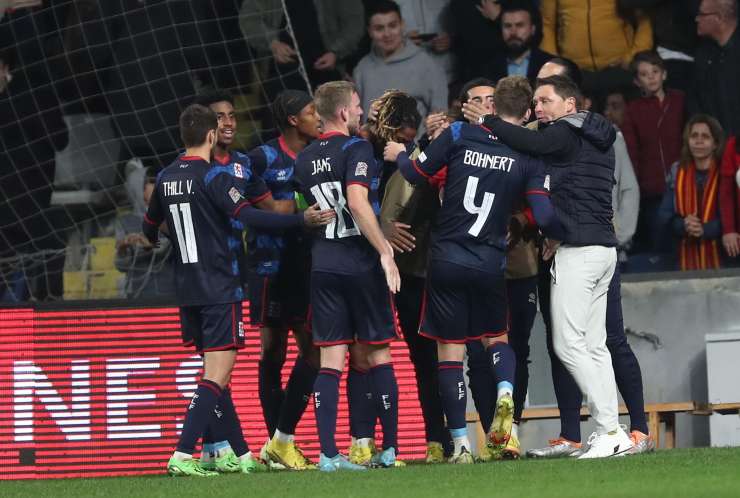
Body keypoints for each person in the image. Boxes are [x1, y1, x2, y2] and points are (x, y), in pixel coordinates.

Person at [143, 104, 333, 477]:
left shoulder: (165, 177)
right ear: (212, 135)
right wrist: (301, 219)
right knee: (216, 376)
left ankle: (241, 454)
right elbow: (248, 216)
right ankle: (183, 454)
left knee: (218, 376)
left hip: (188, 288)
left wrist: (186, 235)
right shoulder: (214, 176)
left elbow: (151, 229)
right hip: (220, 285)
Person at [384, 75, 564, 464]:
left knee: (448, 354)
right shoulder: (529, 157)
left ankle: (461, 446)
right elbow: (541, 211)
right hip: (490, 262)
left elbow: (415, 176)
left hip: (447, 258)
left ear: (494, 106)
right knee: (497, 340)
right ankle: (504, 395)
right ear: (528, 111)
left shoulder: (459, 135)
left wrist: (400, 153)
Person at [475, 75, 635, 458]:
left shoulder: (564, 132)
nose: (539, 108)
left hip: (579, 252)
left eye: (545, 101)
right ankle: (613, 434)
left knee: (568, 344)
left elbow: (532, 142)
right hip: (603, 249)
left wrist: (489, 120)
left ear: (570, 104)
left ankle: (611, 428)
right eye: (536, 101)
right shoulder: (597, 134)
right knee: (595, 346)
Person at [295, 81, 402, 472]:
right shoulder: (356, 148)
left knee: (331, 361)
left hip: (323, 265)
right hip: (359, 264)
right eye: (356, 106)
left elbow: (310, 210)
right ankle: (389, 450)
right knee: (378, 354)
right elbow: (356, 202)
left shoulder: (304, 158)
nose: (361, 112)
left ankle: (328, 456)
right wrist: (385, 251)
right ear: (342, 112)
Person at [245, 90, 321, 470]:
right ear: (293, 119)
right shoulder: (262, 158)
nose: (318, 117)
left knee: (314, 350)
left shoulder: (319, 151)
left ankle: (280, 440)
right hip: (268, 268)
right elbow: (254, 208)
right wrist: (302, 204)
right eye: (311, 112)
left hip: (306, 266)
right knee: (272, 352)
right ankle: (276, 443)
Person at [374, 89, 449, 464]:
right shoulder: (381, 158)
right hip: (414, 271)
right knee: (432, 359)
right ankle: (445, 439)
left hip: (413, 271)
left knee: (427, 360)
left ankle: (441, 439)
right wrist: (381, 226)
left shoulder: (413, 158)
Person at [621, 51, 685, 255]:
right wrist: (636, 189)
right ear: (636, 81)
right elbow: (632, 153)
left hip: (684, 183)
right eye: (644, 74)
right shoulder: (633, 110)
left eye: (655, 71)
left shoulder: (680, 100)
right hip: (652, 189)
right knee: (660, 243)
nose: (651, 77)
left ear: (664, 74)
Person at [353, 0, 448, 123]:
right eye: (379, 28)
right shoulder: (361, 69)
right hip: (371, 141)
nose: (387, 34)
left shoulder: (427, 65)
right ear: (370, 31)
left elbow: (441, 119)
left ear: (402, 25)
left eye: (392, 26)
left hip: (417, 141)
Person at [239, 0, 365, 91]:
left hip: (328, 70)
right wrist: (272, 43)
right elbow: (249, 19)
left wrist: (336, 52)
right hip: (282, 72)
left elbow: (354, 23)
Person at [540, 0, 653, 101]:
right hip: (575, 73)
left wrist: (632, 58)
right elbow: (547, 24)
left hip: (619, 70)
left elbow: (644, 20)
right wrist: (554, 65)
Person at [659, 114, 725, 270]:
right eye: (694, 136)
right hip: (683, 255)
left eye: (705, 136)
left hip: (723, 256)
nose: (699, 141)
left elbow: (734, 216)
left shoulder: (726, 171)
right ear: (688, 141)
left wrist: (706, 229)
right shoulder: (677, 171)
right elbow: (664, 215)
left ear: (715, 143)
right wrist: (684, 225)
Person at [115, 169, 175, 299]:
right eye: (148, 184)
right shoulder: (124, 222)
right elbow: (120, 265)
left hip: (169, 292)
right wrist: (122, 249)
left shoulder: (170, 215)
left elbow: (168, 248)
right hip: (137, 295)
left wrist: (148, 244)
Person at [690, 0, 740, 136]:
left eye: (701, 14)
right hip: (717, 146)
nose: (696, 18)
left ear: (719, 18)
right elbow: (696, 101)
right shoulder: (703, 54)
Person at [484, 0, 553, 86]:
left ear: (532, 29)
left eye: (520, 25)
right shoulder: (487, 67)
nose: (513, 32)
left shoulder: (549, 65)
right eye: (507, 26)